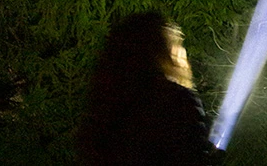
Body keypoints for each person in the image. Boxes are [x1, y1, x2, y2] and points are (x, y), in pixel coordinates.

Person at [78, 10, 222, 165]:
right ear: (164, 51)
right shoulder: (177, 101)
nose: (182, 52)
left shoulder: (104, 107)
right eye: (176, 43)